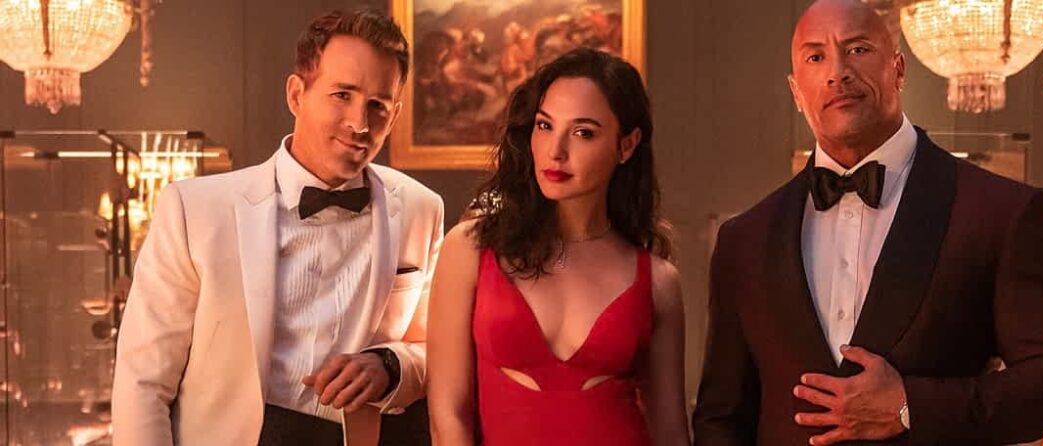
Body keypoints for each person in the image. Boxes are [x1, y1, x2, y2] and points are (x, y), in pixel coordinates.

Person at [692, 1, 1043, 444]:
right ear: (796, 91)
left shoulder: (1003, 212)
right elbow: (720, 420)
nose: (837, 73)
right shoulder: (744, 240)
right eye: (816, 57)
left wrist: (912, 407)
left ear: (898, 69)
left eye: (858, 49)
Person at [112, 9, 443, 445]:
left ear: (394, 116)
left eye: (377, 106)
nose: (360, 124)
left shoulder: (422, 209)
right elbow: (142, 382)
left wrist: (389, 366)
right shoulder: (194, 211)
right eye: (342, 95)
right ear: (296, 95)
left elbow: (434, 353)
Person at [426, 47, 689, 446]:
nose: (556, 151)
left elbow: (670, 432)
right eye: (545, 126)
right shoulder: (469, 249)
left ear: (626, 145)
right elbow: (448, 415)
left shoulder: (658, 280)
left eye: (583, 133)